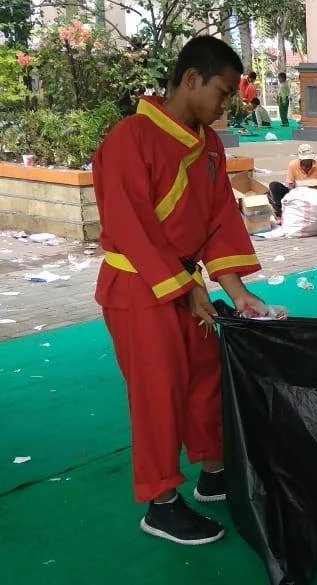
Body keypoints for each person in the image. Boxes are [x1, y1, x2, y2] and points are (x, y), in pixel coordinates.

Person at [92, 35, 267, 545]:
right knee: (158, 393)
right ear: (192, 79)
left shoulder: (208, 145)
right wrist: (186, 288)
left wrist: (237, 294)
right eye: (224, 91)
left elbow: (218, 222)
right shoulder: (130, 139)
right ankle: (161, 502)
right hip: (136, 286)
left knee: (207, 375)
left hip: (182, 282)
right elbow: (132, 227)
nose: (227, 104)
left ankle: (213, 471)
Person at [268, 143, 317, 220]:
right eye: (304, 160)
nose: (306, 162)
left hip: (316, 193)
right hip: (297, 193)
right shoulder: (293, 165)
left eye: (308, 160)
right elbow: (290, 184)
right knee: (274, 185)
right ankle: (280, 214)